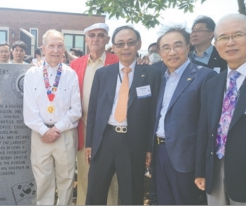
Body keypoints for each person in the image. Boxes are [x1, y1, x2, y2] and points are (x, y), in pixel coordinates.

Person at [84, 25, 161, 205]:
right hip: (105, 139)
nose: (125, 47)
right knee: (95, 191)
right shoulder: (103, 74)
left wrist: (149, 147)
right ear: (114, 48)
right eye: (120, 44)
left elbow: (153, 114)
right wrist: (90, 143)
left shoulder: (152, 74)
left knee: (132, 193)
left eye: (130, 43)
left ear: (138, 44)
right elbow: (94, 109)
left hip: (133, 141)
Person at [195, 13, 246, 205]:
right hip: (215, 173)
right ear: (215, 44)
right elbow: (204, 129)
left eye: (237, 35)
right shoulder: (213, 83)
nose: (230, 42)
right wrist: (201, 170)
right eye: (223, 37)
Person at [150, 27, 216, 205]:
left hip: (187, 158)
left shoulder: (205, 76)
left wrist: (201, 167)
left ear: (188, 47)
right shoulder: (158, 78)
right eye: (166, 48)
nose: (172, 52)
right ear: (160, 52)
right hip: (159, 153)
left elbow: (208, 126)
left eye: (177, 46)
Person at [23, 29, 81, 205]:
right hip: (40, 135)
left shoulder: (71, 74)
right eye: (52, 46)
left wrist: (56, 129)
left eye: (60, 46)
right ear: (43, 47)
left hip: (64, 134)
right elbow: (29, 110)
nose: (56, 50)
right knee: (43, 181)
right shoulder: (32, 74)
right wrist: (44, 131)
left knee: (66, 179)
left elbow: (76, 109)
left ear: (64, 49)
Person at [69, 22, 120, 206]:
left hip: (110, 128)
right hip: (83, 126)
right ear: (86, 40)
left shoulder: (117, 61)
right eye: (92, 35)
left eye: (100, 35)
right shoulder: (76, 64)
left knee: (110, 178)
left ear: (107, 39)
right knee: (84, 175)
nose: (96, 38)